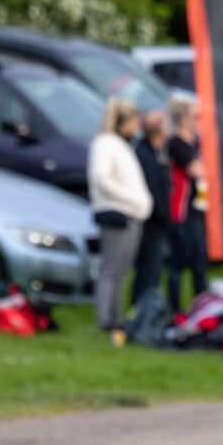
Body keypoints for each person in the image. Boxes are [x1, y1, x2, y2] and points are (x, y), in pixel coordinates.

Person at [88, 98, 152, 347]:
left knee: (121, 270)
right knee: (111, 268)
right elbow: (101, 178)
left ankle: (116, 316)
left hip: (131, 212)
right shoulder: (105, 144)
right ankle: (106, 318)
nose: (137, 125)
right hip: (117, 211)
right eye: (134, 120)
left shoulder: (120, 145)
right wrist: (131, 200)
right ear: (123, 121)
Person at [168, 95, 209, 315]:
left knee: (200, 262)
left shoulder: (196, 142)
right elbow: (198, 170)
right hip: (181, 212)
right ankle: (174, 309)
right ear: (184, 118)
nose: (198, 120)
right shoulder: (177, 143)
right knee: (179, 262)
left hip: (198, 210)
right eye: (195, 116)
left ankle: (202, 307)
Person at [132, 107, 172, 305]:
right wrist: (165, 214)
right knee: (147, 270)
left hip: (158, 223)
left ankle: (148, 310)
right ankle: (141, 312)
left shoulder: (157, 152)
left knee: (154, 270)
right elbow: (152, 192)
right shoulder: (145, 155)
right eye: (166, 123)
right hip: (151, 224)